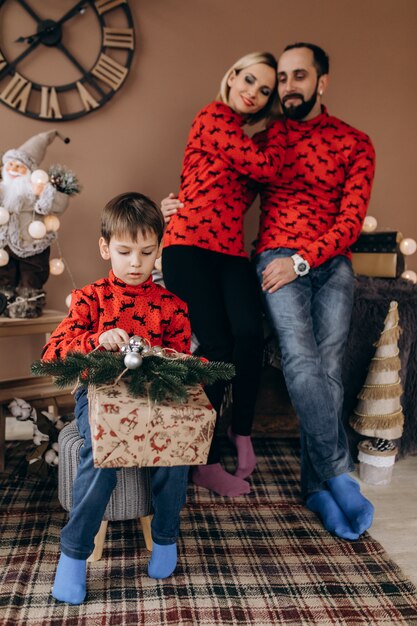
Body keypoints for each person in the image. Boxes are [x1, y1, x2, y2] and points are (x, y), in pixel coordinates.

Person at [41, 192, 192, 604]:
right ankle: (73, 554)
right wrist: (95, 340)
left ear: (158, 250)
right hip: (101, 397)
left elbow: (184, 364)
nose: (135, 263)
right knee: (102, 455)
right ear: (105, 247)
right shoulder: (91, 299)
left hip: (156, 400)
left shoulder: (173, 307)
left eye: (146, 252)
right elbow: (52, 353)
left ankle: (164, 538)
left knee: (175, 453)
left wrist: (165, 362)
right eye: (124, 252)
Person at [253, 43, 376, 540]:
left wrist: (304, 259)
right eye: (281, 78)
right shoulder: (264, 141)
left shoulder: (355, 142)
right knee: (302, 361)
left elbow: (351, 221)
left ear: (321, 82)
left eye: (298, 76)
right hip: (275, 260)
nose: (287, 87)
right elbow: (222, 189)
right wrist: (181, 205)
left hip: (329, 263)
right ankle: (338, 475)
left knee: (329, 369)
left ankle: (315, 488)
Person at [161, 52, 287, 497]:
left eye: (265, 89)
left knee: (250, 334)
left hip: (230, 249)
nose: (253, 92)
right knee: (215, 343)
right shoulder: (213, 116)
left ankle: (242, 431)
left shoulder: (250, 138)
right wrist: (281, 135)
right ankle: (206, 461)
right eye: (249, 80)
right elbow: (268, 170)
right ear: (232, 77)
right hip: (189, 245)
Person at [0, 130, 74, 317]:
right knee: (4, 272)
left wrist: (43, 192)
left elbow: (60, 204)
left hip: (32, 242)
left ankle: (28, 305)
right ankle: (4, 300)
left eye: (20, 166)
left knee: (31, 273)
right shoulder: (3, 190)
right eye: (11, 165)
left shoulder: (38, 190)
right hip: (5, 245)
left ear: (32, 172)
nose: (14, 169)